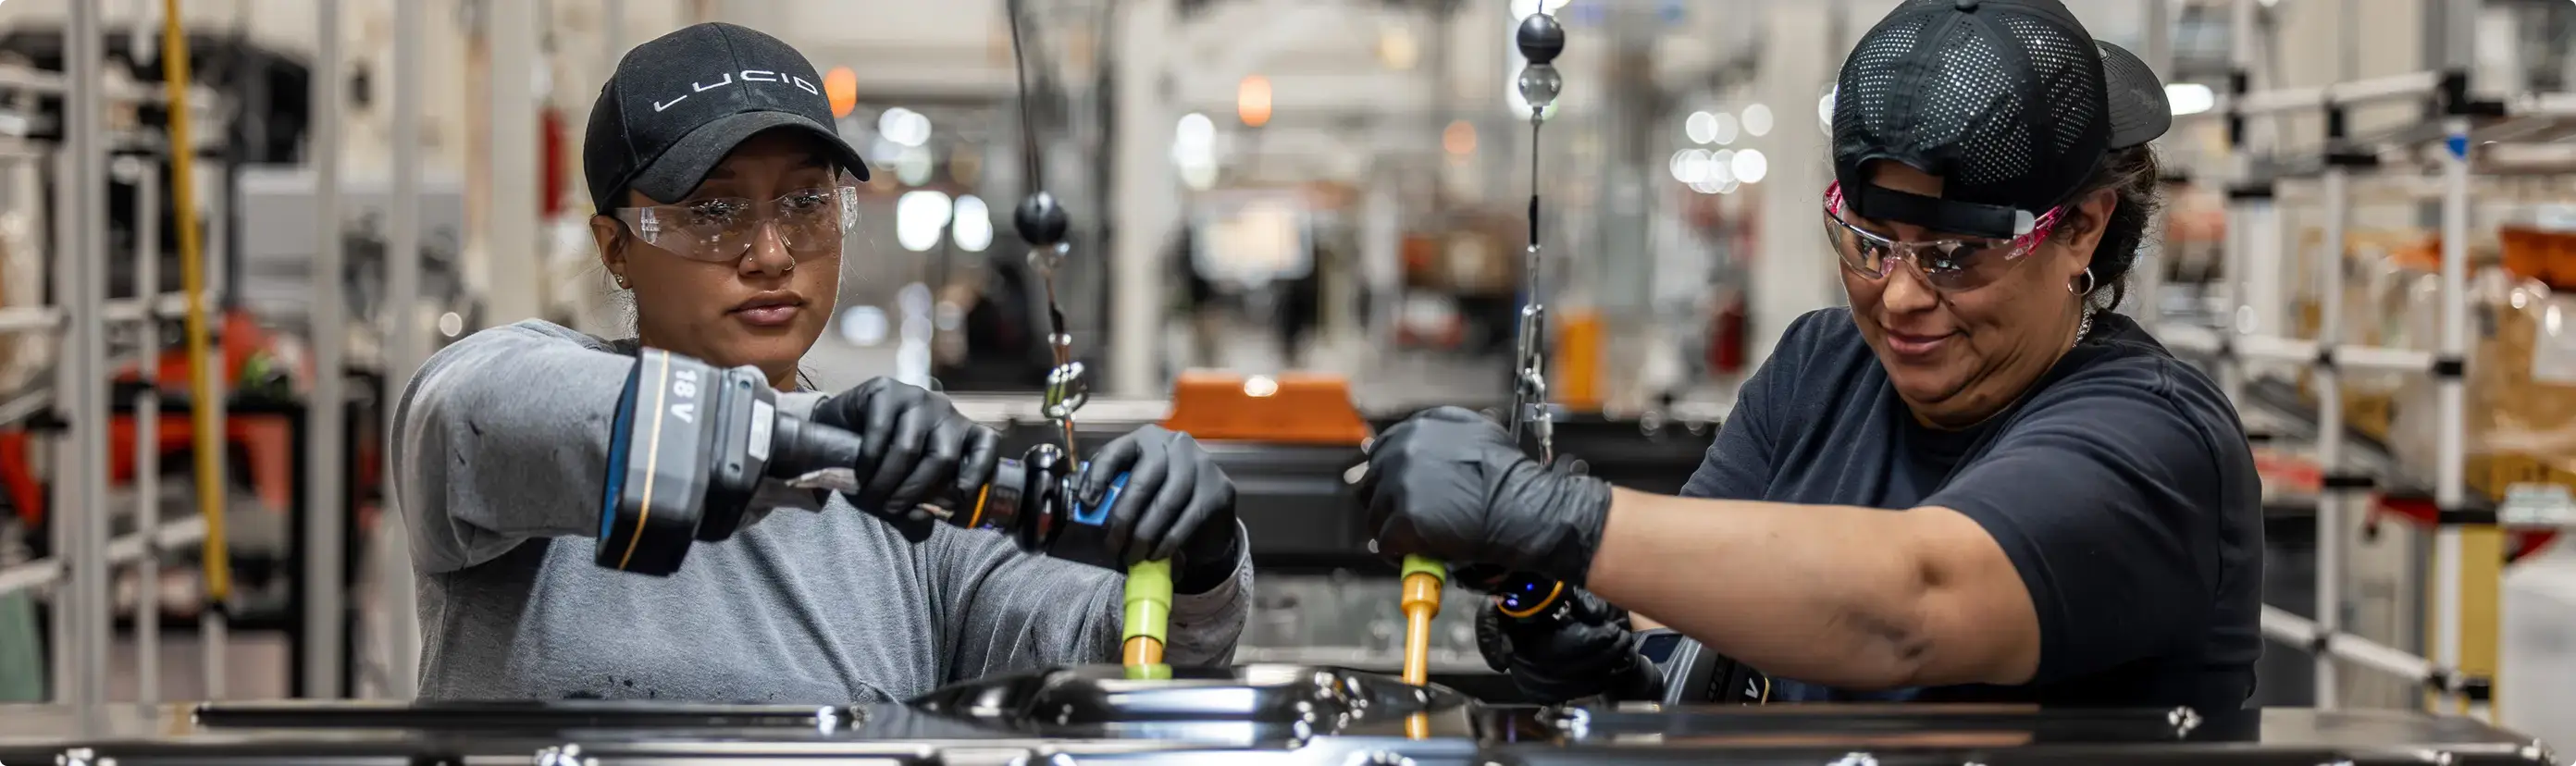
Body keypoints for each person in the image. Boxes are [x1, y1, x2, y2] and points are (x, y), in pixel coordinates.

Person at [1360, 0, 2260, 712]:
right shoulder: (1821, 370)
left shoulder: (2155, 439)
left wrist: (1549, 515)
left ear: (2083, 230)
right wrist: (1587, 632)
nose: (1900, 295)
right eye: (1869, 241)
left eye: (1952, 255)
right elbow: (1683, 619)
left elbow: (1912, 605)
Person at [393, 22, 1248, 703]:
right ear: (616, 249)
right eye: (714, 210)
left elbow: (1100, 664)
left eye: (805, 204)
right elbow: (477, 412)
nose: (769, 253)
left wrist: (1197, 563)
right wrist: (816, 443)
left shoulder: (916, 511)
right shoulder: (520, 406)